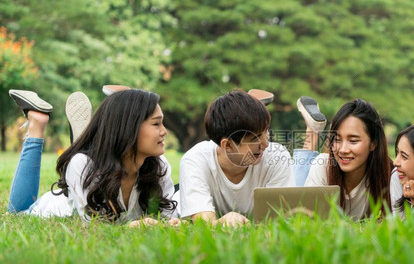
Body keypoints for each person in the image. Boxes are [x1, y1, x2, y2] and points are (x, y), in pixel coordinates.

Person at [7, 89, 177, 225]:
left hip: (87, 180)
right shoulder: (82, 165)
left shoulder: (159, 166)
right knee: (16, 213)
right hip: (57, 205)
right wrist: (135, 226)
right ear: (129, 128)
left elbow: (168, 216)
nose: (164, 131)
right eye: (156, 124)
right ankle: (37, 123)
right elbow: (94, 225)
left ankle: (87, 136)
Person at [177, 90, 293, 226]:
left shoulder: (277, 156)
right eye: (254, 138)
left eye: (266, 131)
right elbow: (203, 224)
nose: (266, 144)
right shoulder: (195, 160)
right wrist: (226, 221)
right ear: (228, 145)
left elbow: (277, 220)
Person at [293, 98, 392, 220]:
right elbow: (306, 219)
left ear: (373, 143)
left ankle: (313, 129)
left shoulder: (388, 175)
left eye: (353, 141)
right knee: (297, 188)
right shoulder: (323, 165)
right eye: (337, 139)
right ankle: (312, 130)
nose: (343, 149)